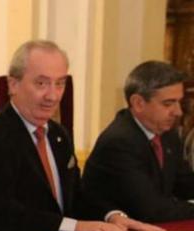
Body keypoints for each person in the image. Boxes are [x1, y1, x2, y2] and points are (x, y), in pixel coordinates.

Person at [0, 40, 161, 231]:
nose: (53, 95)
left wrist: (111, 216)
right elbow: (5, 217)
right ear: (13, 85)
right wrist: (74, 227)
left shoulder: (58, 135)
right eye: (41, 83)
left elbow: (76, 197)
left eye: (60, 83)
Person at [82, 61, 194, 222]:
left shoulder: (167, 134)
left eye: (179, 102)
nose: (178, 112)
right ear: (138, 103)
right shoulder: (119, 142)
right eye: (168, 103)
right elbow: (152, 211)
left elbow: (186, 184)